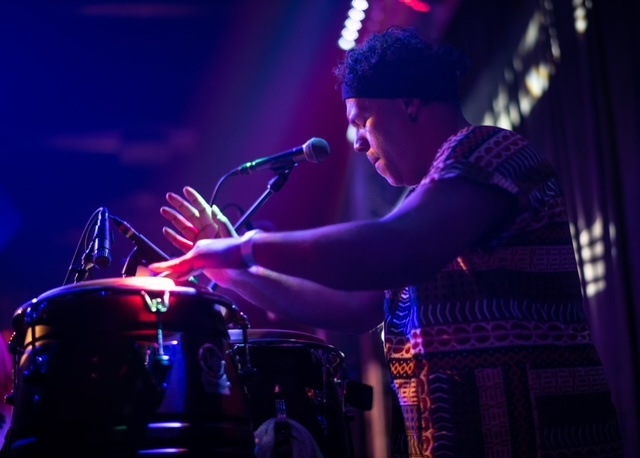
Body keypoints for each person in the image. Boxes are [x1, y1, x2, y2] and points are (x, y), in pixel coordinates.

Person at [149, 26, 624, 457]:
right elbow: (352, 306)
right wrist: (230, 272)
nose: (355, 140)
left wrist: (244, 247)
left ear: (409, 103)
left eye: (362, 118)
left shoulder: (488, 151)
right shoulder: (428, 195)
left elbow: (397, 247)